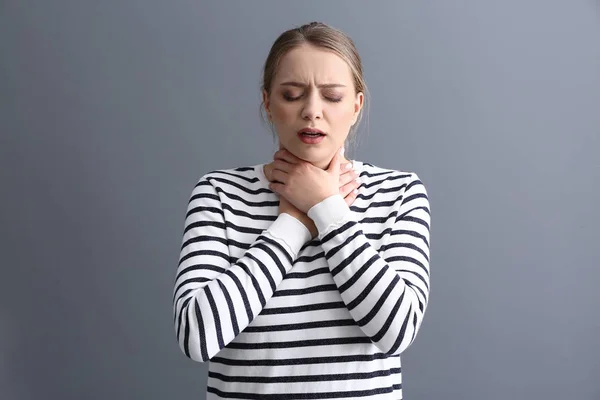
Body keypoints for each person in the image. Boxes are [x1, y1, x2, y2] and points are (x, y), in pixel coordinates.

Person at [172, 21, 431, 400]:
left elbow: (397, 330)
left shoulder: (400, 192)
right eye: (292, 94)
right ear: (267, 103)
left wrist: (327, 209)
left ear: (356, 106)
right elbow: (197, 337)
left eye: (332, 96)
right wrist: (292, 223)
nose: (312, 111)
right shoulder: (219, 193)